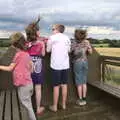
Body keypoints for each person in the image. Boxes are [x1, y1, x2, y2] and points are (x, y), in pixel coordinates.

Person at [0, 32, 36, 120]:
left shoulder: (18, 55)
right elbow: (32, 68)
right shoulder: (27, 54)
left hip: (23, 85)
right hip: (29, 83)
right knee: (28, 103)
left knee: (27, 106)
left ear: (15, 45)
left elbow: (9, 68)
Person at [47, 24, 71, 112]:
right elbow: (68, 50)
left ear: (57, 29)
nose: (52, 30)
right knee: (64, 84)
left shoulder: (52, 38)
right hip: (65, 65)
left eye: (53, 29)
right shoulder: (67, 38)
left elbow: (48, 50)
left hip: (56, 66)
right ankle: (64, 104)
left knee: (56, 86)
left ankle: (55, 106)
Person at [25, 19, 45, 115]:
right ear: (36, 32)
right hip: (38, 67)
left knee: (27, 88)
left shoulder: (26, 43)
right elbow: (43, 54)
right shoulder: (41, 43)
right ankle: (38, 108)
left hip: (28, 66)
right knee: (38, 88)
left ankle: (28, 109)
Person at [71, 29, 92, 106]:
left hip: (77, 62)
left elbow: (70, 51)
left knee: (78, 81)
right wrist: (86, 49)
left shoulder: (74, 42)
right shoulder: (86, 42)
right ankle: (84, 98)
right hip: (85, 61)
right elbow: (90, 52)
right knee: (84, 80)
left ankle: (80, 99)